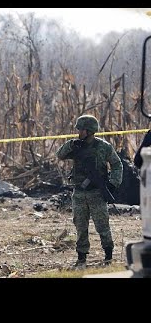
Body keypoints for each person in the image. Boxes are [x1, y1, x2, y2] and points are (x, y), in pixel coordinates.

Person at [56, 115, 123, 268]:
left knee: (102, 225)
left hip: (96, 193)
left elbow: (117, 164)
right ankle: (81, 257)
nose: (78, 132)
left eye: (81, 129)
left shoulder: (103, 147)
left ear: (89, 131)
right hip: (79, 193)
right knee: (80, 225)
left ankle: (108, 255)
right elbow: (59, 155)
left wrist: (113, 183)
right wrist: (70, 145)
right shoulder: (76, 146)